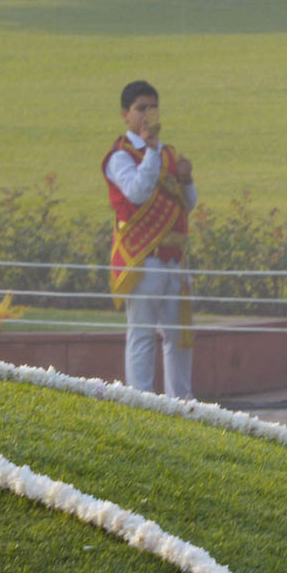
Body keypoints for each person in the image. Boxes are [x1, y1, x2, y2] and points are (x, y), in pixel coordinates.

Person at [104, 80, 196, 399]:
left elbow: (188, 205)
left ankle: (182, 403)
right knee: (142, 334)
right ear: (125, 115)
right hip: (143, 256)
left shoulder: (168, 153)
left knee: (179, 336)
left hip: (174, 256)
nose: (147, 114)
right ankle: (141, 402)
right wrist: (152, 152)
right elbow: (137, 193)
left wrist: (187, 181)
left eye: (152, 107)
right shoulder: (120, 156)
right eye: (140, 108)